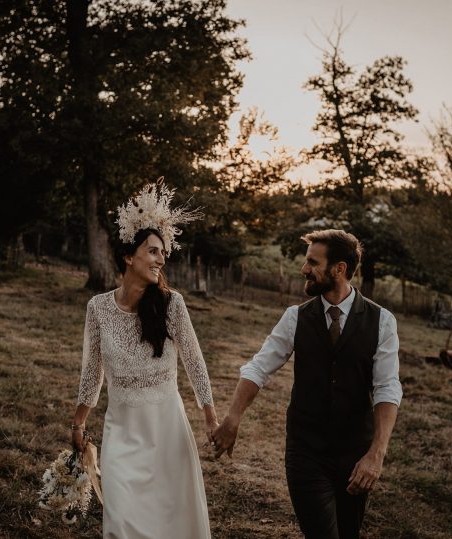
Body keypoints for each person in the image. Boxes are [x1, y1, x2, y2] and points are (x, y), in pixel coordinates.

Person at [211, 229, 402, 539]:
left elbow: (387, 388)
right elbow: (260, 367)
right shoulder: (294, 317)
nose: (304, 269)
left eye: (313, 262)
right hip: (306, 451)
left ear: (339, 269)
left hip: (356, 452)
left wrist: (376, 454)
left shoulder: (382, 321)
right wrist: (233, 417)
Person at [70, 182, 218, 538]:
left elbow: (195, 364)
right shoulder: (98, 308)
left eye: (163, 253)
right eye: (152, 251)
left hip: (167, 429)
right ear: (128, 257)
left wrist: (211, 419)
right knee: (121, 521)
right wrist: (78, 424)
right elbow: (92, 370)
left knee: (171, 522)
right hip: (122, 429)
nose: (160, 259)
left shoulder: (172, 305)